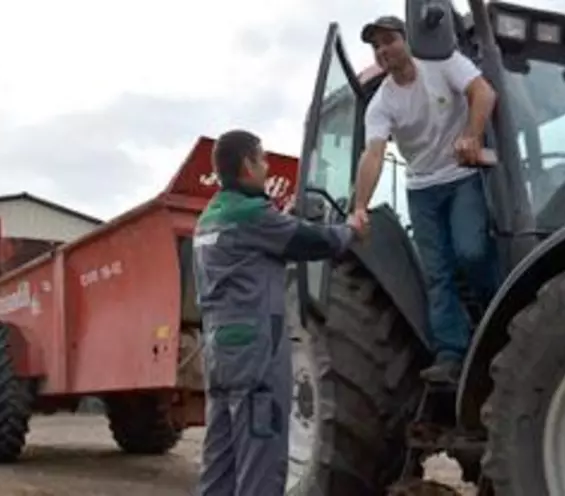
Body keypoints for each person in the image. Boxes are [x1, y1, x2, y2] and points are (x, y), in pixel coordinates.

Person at [192, 129, 362, 495]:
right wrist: (350, 229)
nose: (268, 168)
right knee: (261, 464)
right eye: (263, 159)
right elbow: (315, 241)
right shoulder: (253, 215)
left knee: (219, 465)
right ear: (246, 165)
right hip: (257, 354)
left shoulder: (208, 218)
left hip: (219, 352)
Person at [351, 15, 501, 384]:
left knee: (472, 251)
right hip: (421, 189)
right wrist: (358, 207)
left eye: (389, 40)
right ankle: (451, 352)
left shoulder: (444, 63)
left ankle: (496, 313)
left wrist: (472, 135)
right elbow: (373, 154)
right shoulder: (382, 103)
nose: (383, 50)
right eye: (376, 46)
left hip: (461, 176)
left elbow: (484, 93)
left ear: (408, 39)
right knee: (436, 272)